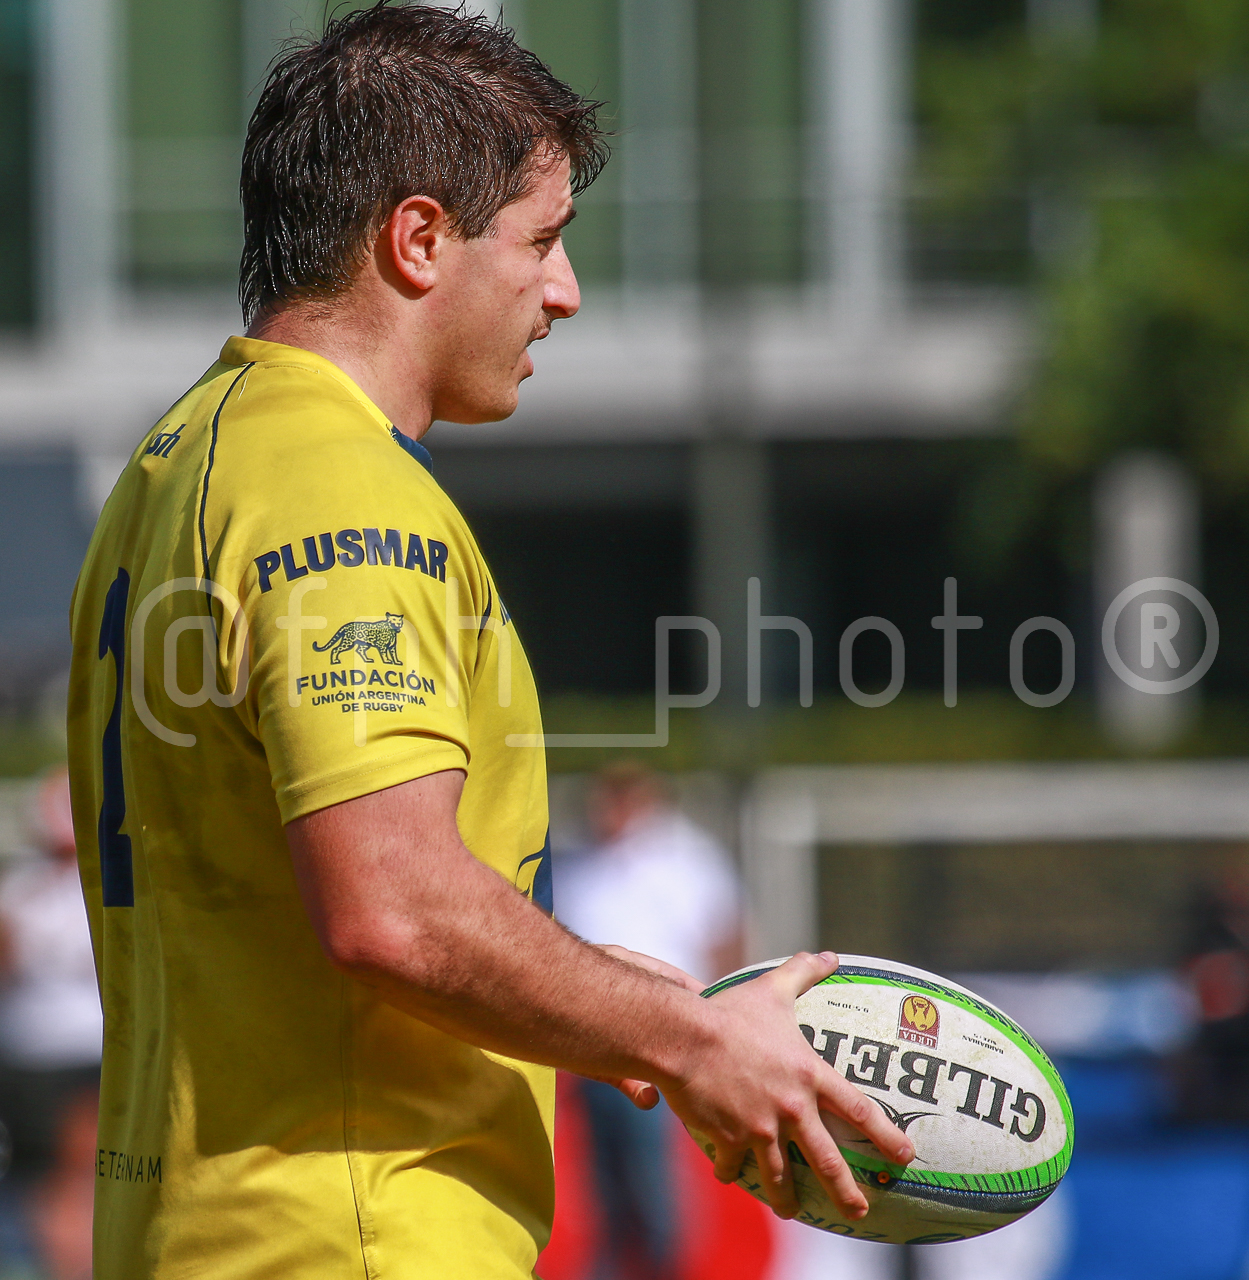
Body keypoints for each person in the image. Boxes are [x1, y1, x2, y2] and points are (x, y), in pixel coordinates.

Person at [64, 7, 913, 1279]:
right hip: (353, 1241)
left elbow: (313, 908)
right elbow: (393, 909)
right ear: (417, 239)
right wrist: (686, 1044)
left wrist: (654, 1010)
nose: (564, 291)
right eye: (543, 241)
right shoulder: (343, 493)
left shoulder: (178, 462)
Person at [554, 764, 748, 1279]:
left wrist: (719, 1026)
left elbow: (725, 940)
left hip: (660, 1045)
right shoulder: (577, 860)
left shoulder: (685, 859)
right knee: (603, 1184)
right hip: (592, 1047)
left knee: (654, 1182)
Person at [0, 768, 100, 1280]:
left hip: (44, 1051)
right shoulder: (34, 893)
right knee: (76, 1178)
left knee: (63, 1178)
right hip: (66, 1054)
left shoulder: (20, 892)